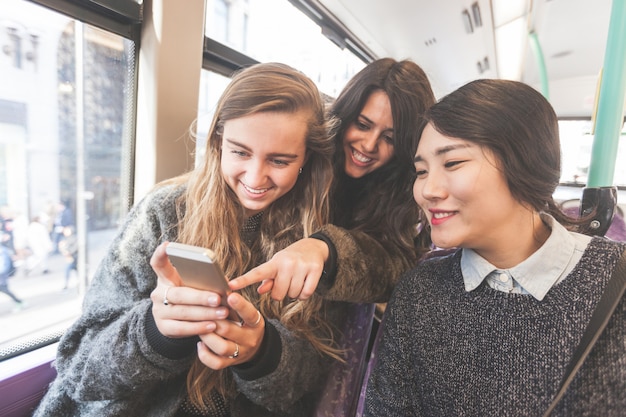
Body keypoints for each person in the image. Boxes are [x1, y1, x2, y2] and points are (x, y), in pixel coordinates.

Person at [34, 62, 341, 417]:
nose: (256, 176)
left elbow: (305, 381)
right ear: (217, 143)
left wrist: (262, 353)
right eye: (240, 152)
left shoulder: (313, 242)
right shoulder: (163, 213)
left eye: (280, 160)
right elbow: (78, 367)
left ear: (306, 159)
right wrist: (155, 333)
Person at [363, 79, 626, 416]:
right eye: (421, 170)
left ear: (523, 160)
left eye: (453, 163)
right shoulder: (419, 292)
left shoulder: (614, 281)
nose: (428, 189)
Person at [230, 58, 435, 304]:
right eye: (362, 125)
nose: (369, 145)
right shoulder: (305, 156)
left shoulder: (406, 190)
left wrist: (327, 249)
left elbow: (393, 267)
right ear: (345, 115)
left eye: (389, 139)